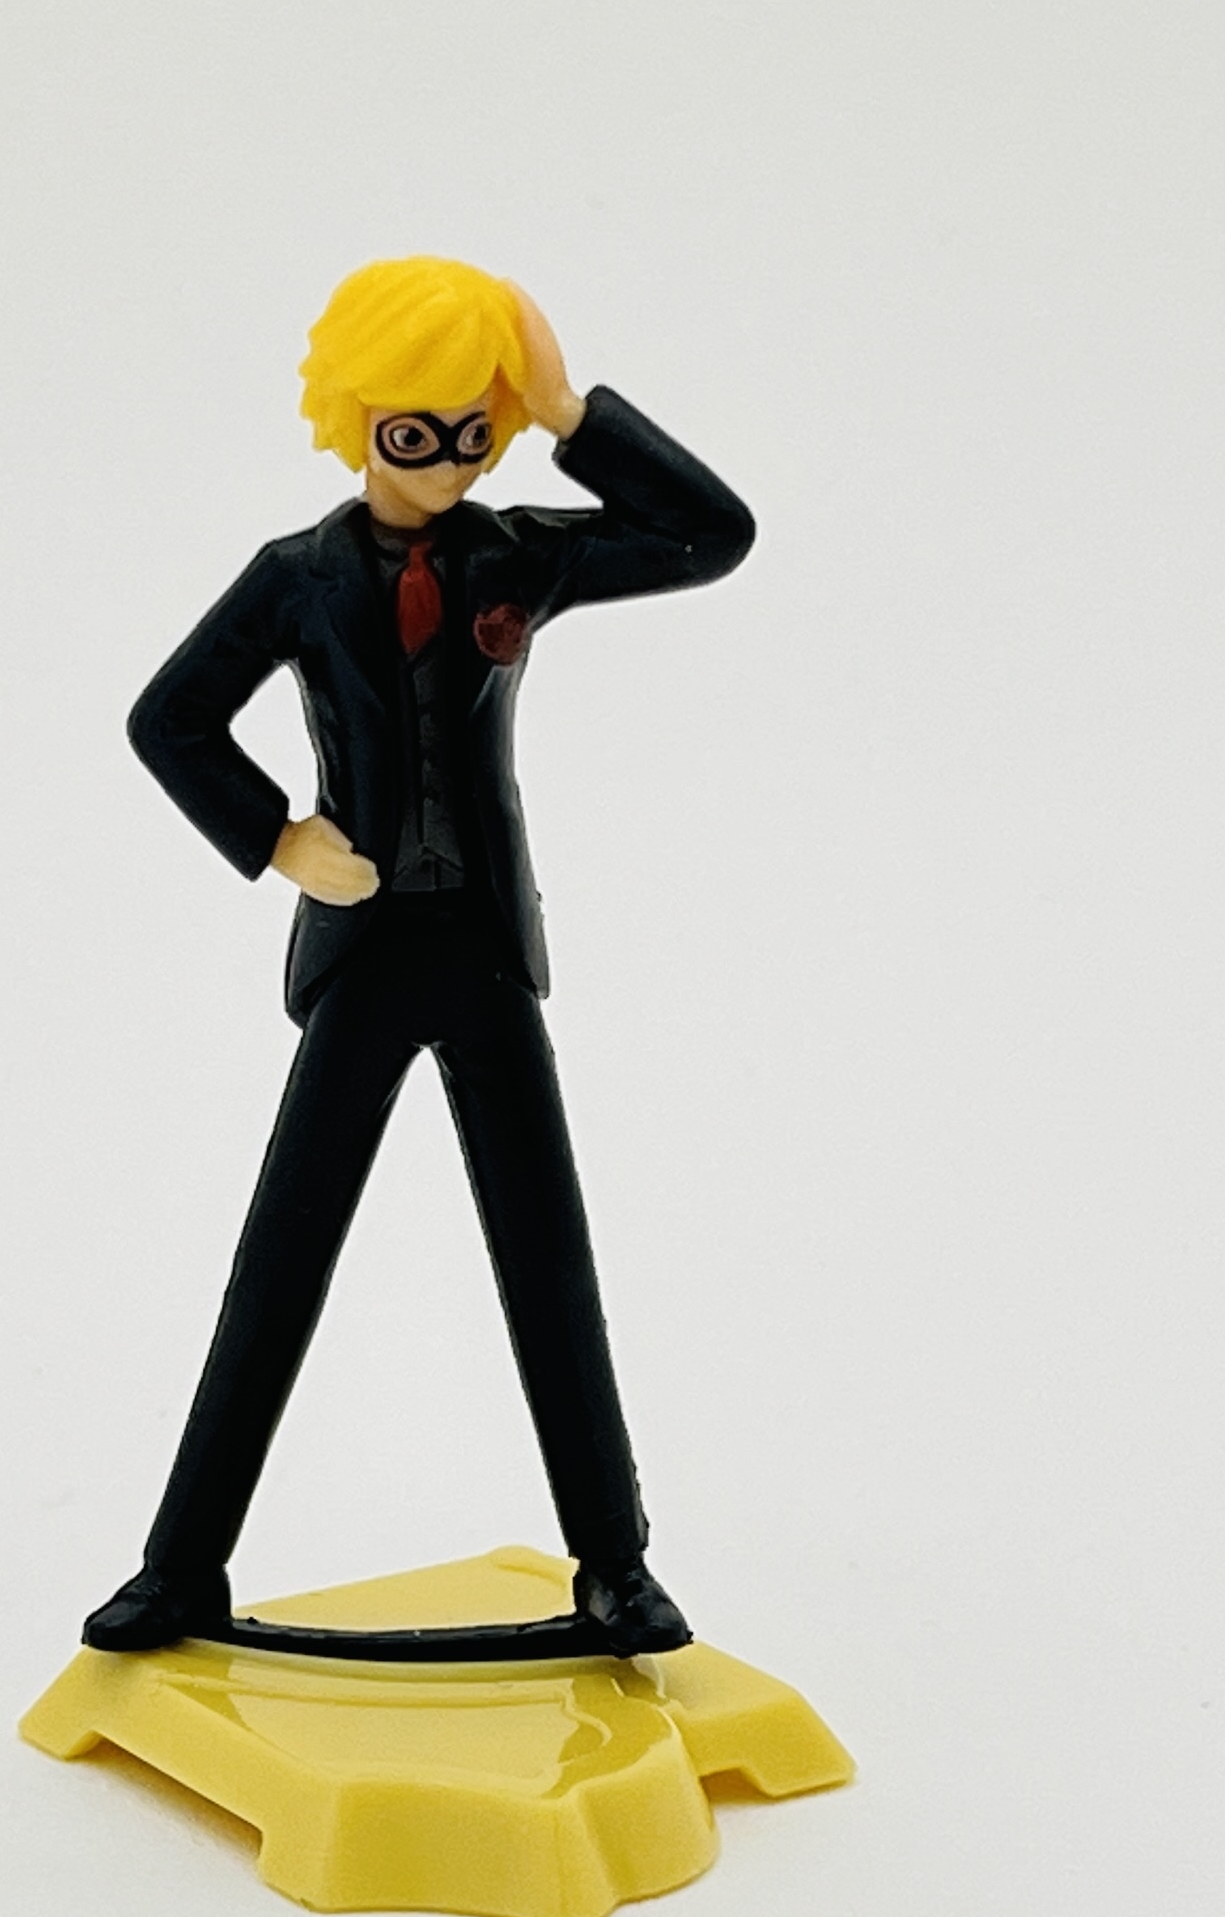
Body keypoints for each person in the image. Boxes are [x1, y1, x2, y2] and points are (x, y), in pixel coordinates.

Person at [84, 256, 754, 1655]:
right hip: (368, 949)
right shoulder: (299, 577)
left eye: (472, 432)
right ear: (353, 421)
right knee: (283, 1255)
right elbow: (170, 718)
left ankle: (615, 1564)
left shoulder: (518, 554)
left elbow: (710, 534)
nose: (447, 463)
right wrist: (278, 837)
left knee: (546, 1253)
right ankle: (180, 1565)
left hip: (485, 947)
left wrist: (569, 413)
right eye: (413, 432)